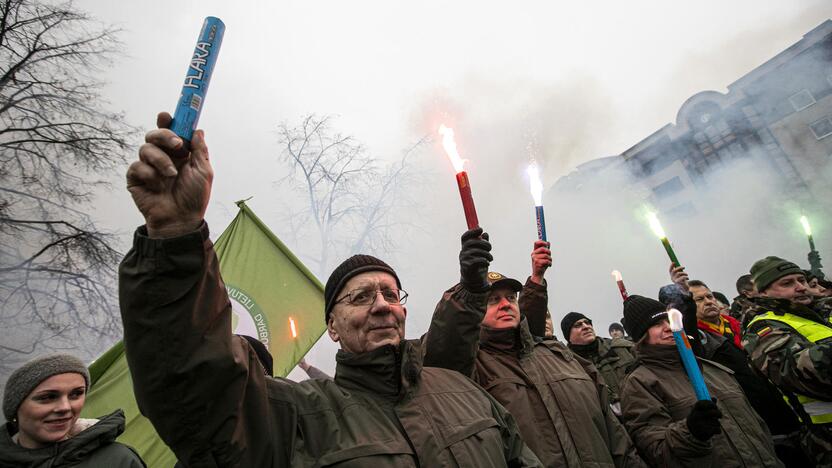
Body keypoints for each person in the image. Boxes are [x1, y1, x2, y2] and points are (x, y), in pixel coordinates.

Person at [120, 114, 542, 467]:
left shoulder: (462, 391)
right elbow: (194, 385)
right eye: (360, 297)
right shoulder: (295, 416)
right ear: (333, 327)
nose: (381, 306)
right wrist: (175, 236)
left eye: (391, 295)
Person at [424, 235, 645, 467]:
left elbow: (616, 436)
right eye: (493, 300)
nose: (506, 304)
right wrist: (468, 290)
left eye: (511, 297)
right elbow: (445, 352)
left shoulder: (561, 355)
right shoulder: (472, 369)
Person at [619, 295, 783, 467]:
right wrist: (690, 431)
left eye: (668, 320)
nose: (668, 328)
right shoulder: (640, 383)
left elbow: (757, 426)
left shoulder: (713, 369)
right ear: (641, 337)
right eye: (656, 324)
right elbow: (656, 450)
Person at [743, 256, 832, 466]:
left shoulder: (823, 311)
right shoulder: (762, 328)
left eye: (801, 280)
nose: (800, 287)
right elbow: (797, 372)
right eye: (787, 283)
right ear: (763, 291)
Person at [0, 354, 145, 467]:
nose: (65, 407)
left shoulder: (118, 460)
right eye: (48, 397)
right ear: (16, 406)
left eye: (76, 394)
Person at [561, 312, 635, 410]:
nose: (586, 326)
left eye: (587, 323)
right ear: (568, 336)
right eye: (578, 325)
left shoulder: (623, 348)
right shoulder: (568, 366)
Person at [669, 266, 743, 348]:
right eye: (699, 299)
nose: (708, 302)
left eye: (709, 296)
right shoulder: (695, 334)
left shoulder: (738, 324)